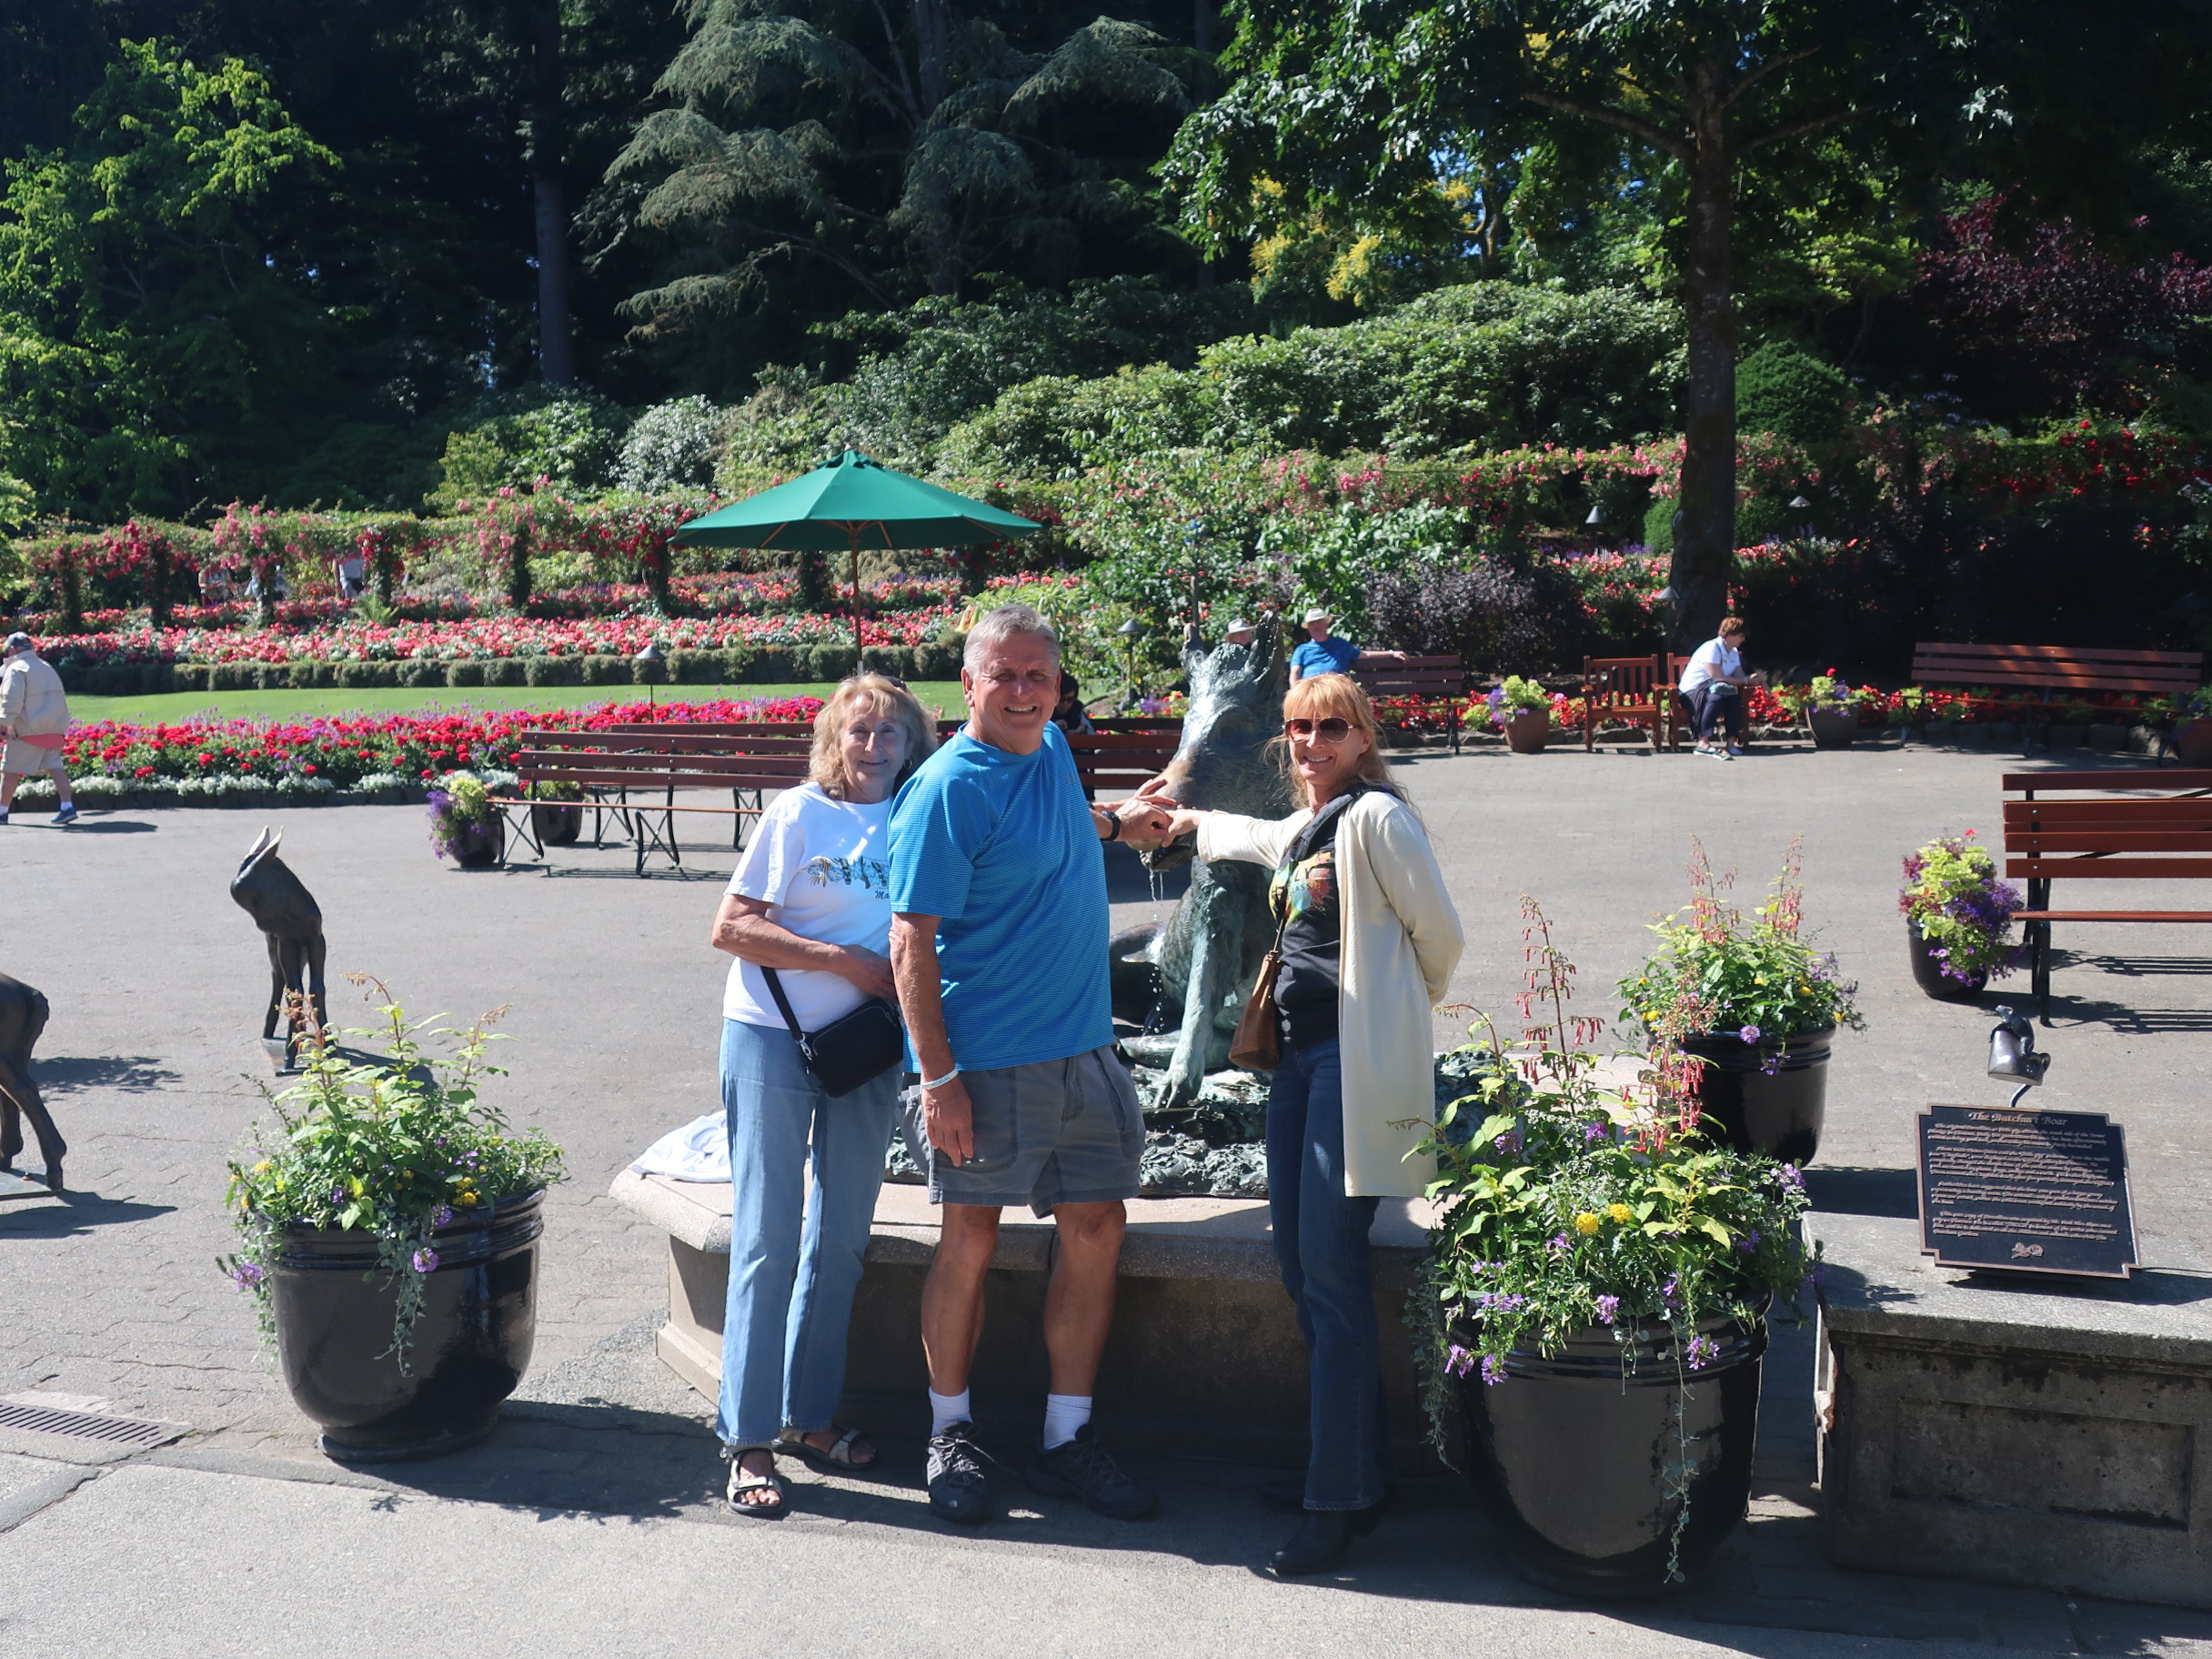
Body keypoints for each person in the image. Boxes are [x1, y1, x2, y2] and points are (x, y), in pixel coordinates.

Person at [1145, 674, 1462, 1577]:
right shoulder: (1314, 823)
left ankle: (1337, 1503)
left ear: (1362, 737)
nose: (1310, 742)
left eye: (1329, 727)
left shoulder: (1378, 819)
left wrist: (1396, 1007)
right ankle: (1360, 1471)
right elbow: (1255, 837)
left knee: (1329, 1277)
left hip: (1345, 1065)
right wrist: (1182, 821)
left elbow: (1440, 938)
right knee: (1303, 1268)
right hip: (1293, 1064)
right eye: (1296, 727)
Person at [888, 602, 1172, 1527]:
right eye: (1002, 674)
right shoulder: (945, 790)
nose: (1021, 690)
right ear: (967, 684)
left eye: (1037, 675)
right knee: (969, 1238)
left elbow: (1060, 824)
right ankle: (949, 1432)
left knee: (1097, 1226)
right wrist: (938, 1080)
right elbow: (908, 941)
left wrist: (1118, 825)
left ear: (1057, 687)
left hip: (1085, 1050)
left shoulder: (1048, 749)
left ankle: (1065, 1439)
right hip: (986, 1062)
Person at [706, 673, 937, 1518]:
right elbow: (731, 926)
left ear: (912, 745)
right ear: (834, 742)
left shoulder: (916, 817)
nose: (874, 747)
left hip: (868, 1048)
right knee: (768, 1236)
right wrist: (844, 962)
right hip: (772, 1037)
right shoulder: (798, 814)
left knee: (841, 1238)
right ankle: (747, 1439)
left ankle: (809, 1417)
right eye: (859, 732)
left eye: (890, 733)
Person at [1, 635, 76, 827]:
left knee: (10, 770)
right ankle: (67, 807)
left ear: (12, 650)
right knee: (56, 767)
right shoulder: (46, 667)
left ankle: (2, 812)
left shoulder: (16, 669)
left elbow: (11, 701)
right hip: (53, 730)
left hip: (27, 731)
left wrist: (4, 723)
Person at [1679, 616, 1758, 759]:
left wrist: (1752, 679)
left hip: (1716, 688)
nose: (1743, 639)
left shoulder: (1734, 652)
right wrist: (1745, 680)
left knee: (1733, 697)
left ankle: (1731, 744)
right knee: (1716, 697)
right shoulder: (1711, 648)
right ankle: (1703, 743)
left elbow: (1739, 676)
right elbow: (1717, 677)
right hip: (1692, 691)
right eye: (1741, 635)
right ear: (1730, 634)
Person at [1287, 608, 1402, 683]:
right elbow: (1295, 672)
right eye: (1312, 623)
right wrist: (1295, 695)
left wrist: (1391, 653)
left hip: (1336, 686)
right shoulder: (1302, 649)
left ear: (1326, 624)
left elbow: (1364, 655)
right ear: (1308, 628)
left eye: (1319, 622)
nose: (1316, 626)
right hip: (1311, 688)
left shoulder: (1340, 644)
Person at [1051, 671, 1094, 737]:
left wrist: (1082, 729)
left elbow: (1092, 732)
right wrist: (1053, 726)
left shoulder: (1077, 710)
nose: (1065, 704)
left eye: (1070, 699)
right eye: (1061, 699)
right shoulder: (1043, 712)